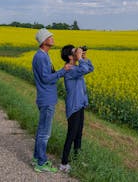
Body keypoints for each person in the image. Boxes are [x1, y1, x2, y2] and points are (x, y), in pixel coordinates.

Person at [32, 28, 69, 173]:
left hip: (47, 97)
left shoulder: (44, 55)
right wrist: (63, 71)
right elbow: (46, 78)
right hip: (46, 99)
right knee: (44, 133)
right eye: (49, 36)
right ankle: (41, 163)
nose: (53, 37)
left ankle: (37, 157)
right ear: (43, 41)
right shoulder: (41, 57)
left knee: (42, 130)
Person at [58, 44, 94, 173]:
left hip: (80, 105)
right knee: (71, 134)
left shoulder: (76, 67)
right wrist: (80, 58)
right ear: (69, 56)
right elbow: (84, 69)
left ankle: (76, 159)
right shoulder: (70, 70)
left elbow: (90, 68)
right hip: (73, 106)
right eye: (74, 51)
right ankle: (63, 163)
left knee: (78, 134)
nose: (77, 52)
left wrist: (83, 57)